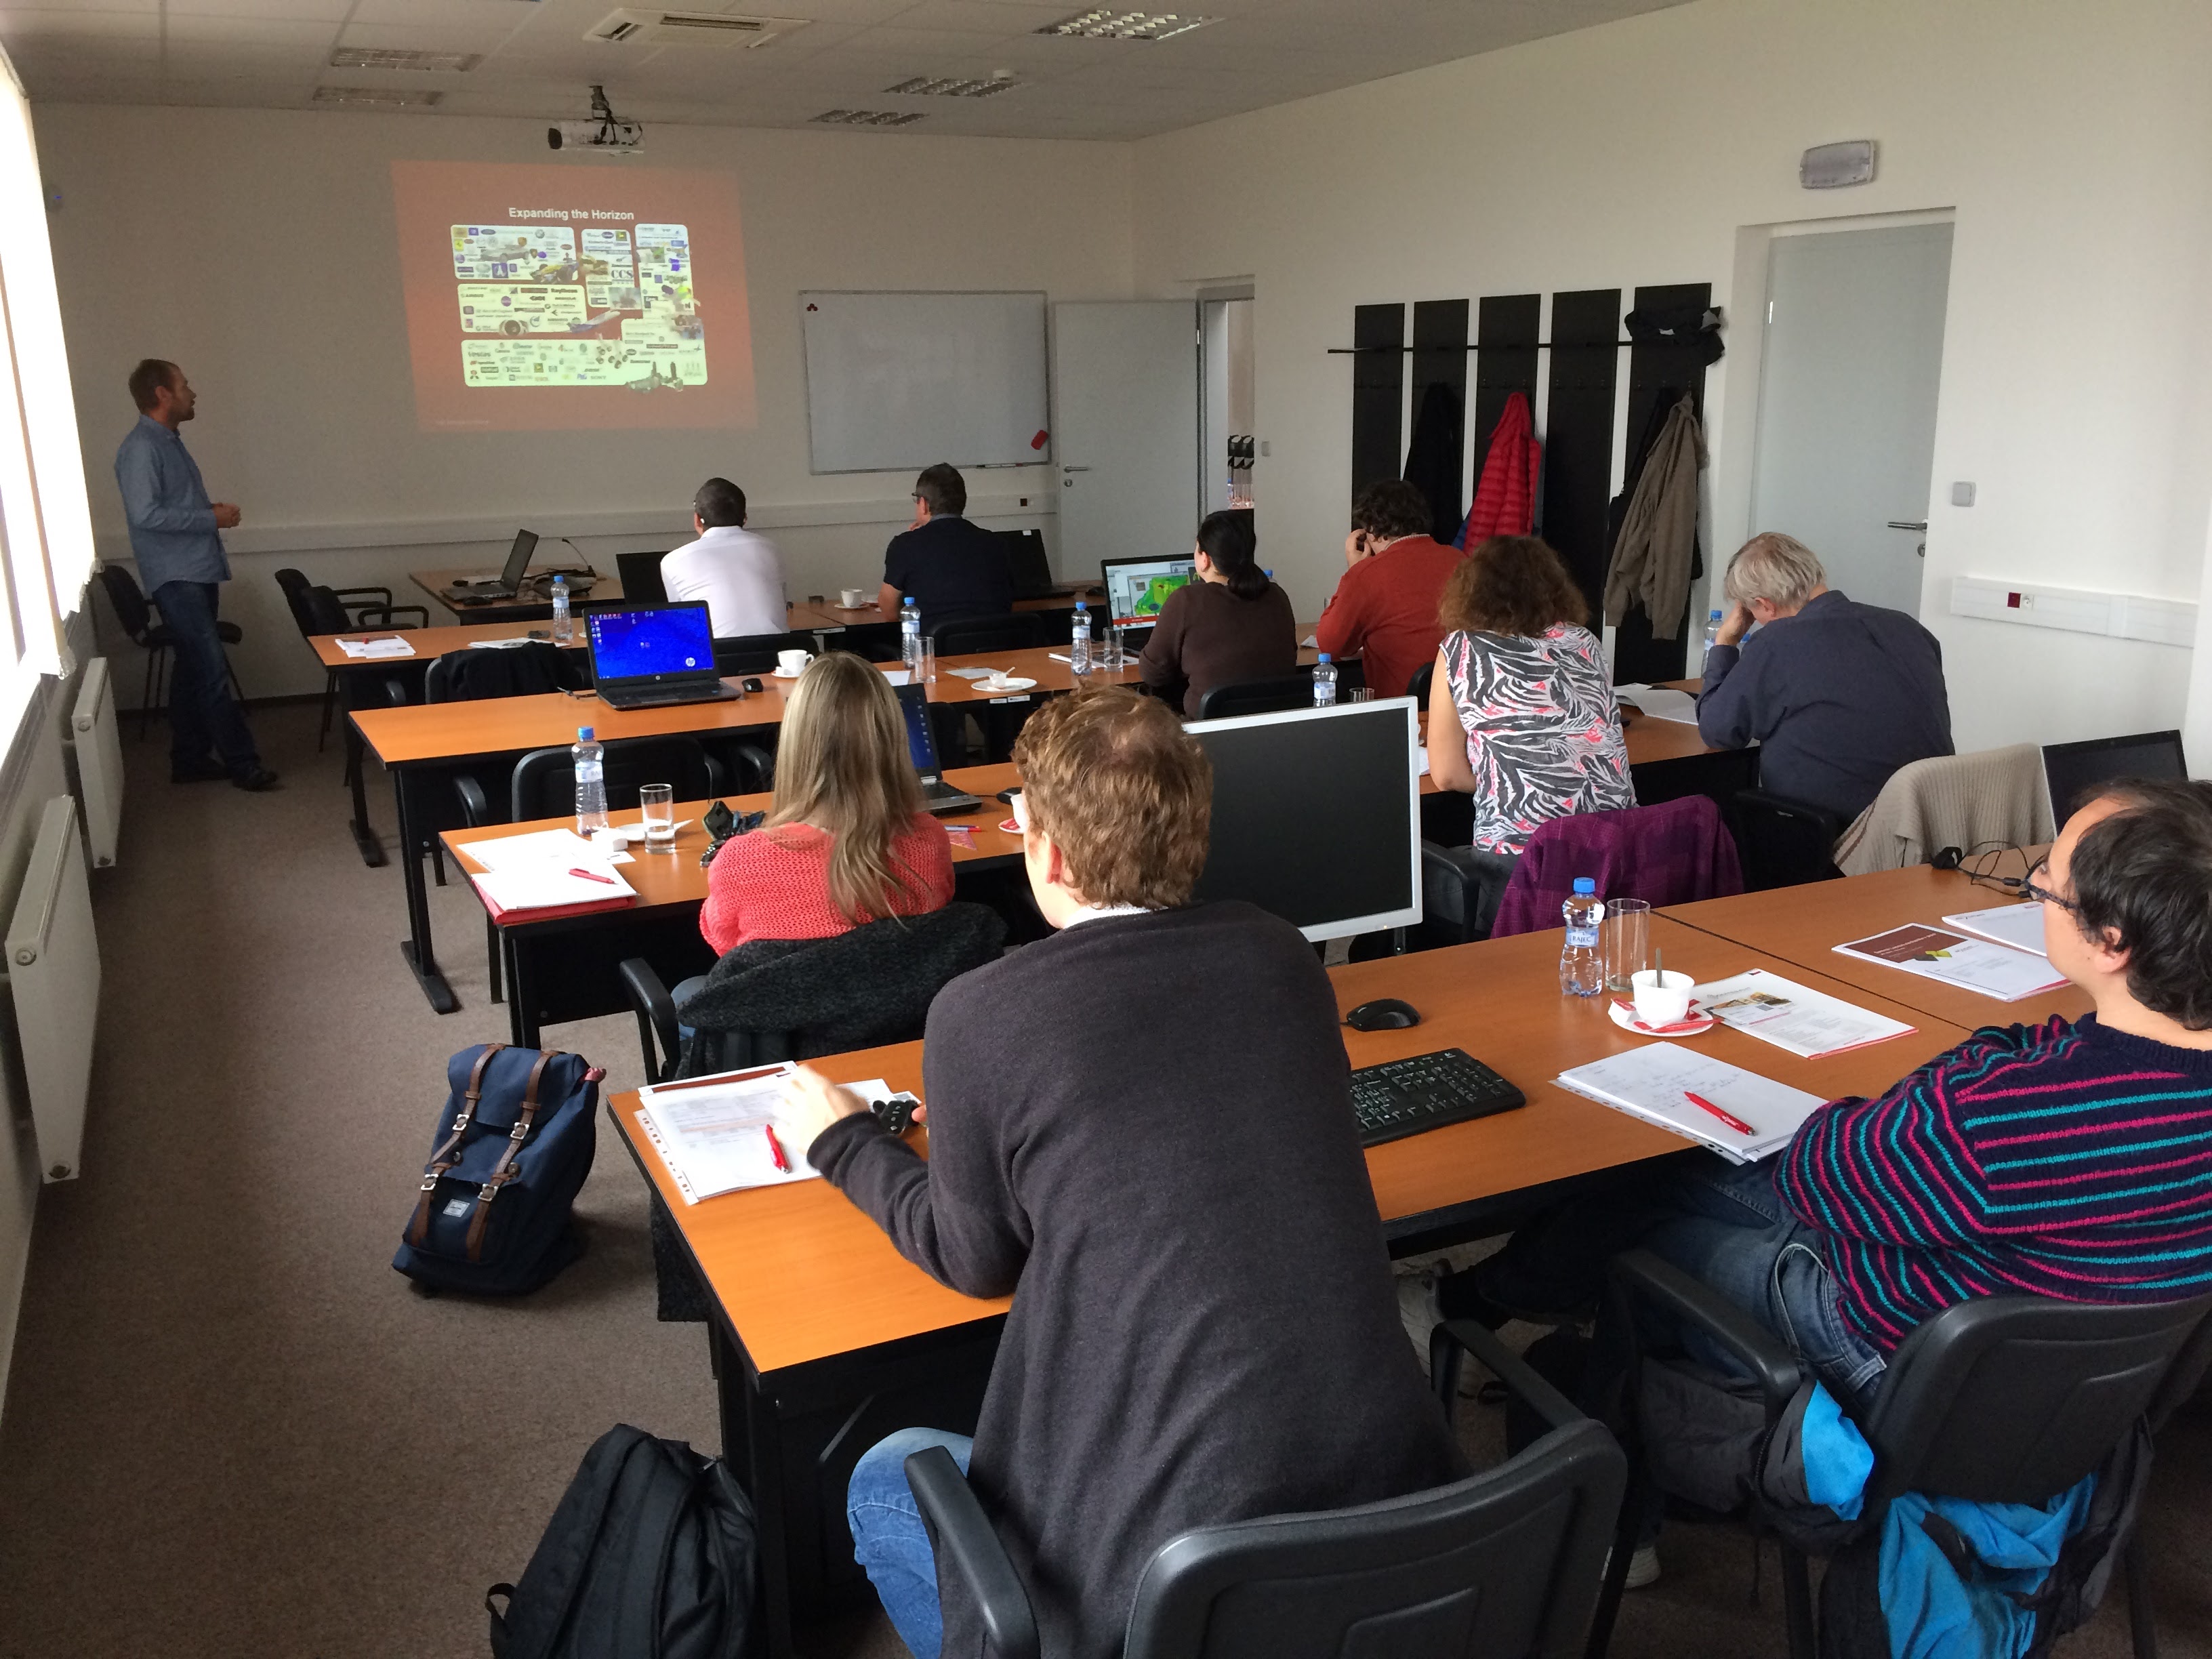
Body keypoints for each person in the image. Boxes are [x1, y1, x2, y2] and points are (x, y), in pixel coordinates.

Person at [775, 687, 1465, 1659]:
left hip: (1163, 1595)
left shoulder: (982, 1013)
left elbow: (975, 1260)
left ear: (1050, 855)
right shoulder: (1282, 957)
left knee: (889, 1472)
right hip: (1398, 1541)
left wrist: (844, 1141)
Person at [1475, 780, 2212, 1411]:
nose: (2037, 889)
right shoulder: (2123, 1077)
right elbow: (2030, 1042)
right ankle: (1509, 1295)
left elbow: (1821, 1174)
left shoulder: (2016, 1117)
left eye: (2046, 883)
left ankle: (1594, 1418)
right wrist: (1960, 1085)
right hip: (2067, 1359)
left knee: (1650, 1226)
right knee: (1687, 1175)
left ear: (2111, 940)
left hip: (1892, 1345)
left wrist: (1943, 1089)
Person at [695, 651, 954, 954]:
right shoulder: (929, 838)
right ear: (894, 740)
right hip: (907, 985)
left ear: (795, 742)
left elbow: (725, 947)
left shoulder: (740, 861)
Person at [1696, 532, 1952, 824]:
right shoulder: (1908, 628)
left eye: (1752, 611)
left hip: (1836, 831)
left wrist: (1725, 643)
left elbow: (1718, 731)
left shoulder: (1779, 641)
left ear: (1765, 605)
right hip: (1932, 821)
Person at [113, 360, 275, 791]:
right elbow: (145, 515)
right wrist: (209, 518)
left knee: (191, 671)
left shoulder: (168, 442)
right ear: (162, 394)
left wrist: (208, 513)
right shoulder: (142, 448)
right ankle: (244, 764)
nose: (193, 392)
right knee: (211, 670)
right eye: (184, 385)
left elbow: (168, 509)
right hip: (177, 578)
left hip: (193, 572)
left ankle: (189, 759)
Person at [1425, 534, 1634, 863]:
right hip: (1614, 851)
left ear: (1470, 592)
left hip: (1523, 860)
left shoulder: (1462, 647)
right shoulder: (1585, 641)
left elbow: (1447, 774)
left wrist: (1515, 782)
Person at [1313, 478, 1465, 698]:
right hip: (1462, 705)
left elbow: (1331, 645)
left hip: (1401, 708)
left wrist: (1354, 571)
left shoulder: (1367, 574)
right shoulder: (1461, 561)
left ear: (1371, 530)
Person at [1136, 510, 1296, 716]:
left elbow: (1152, 674)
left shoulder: (1186, 600)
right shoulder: (1277, 595)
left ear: (1205, 559)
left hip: (1208, 731)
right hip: (1275, 727)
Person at [876, 463, 1013, 628]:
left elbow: (890, 612)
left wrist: (914, 539)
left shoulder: (905, 545)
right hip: (995, 641)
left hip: (933, 643)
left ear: (923, 504)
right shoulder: (996, 543)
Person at [657, 476, 786, 638]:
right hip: (779, 650)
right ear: (745, 518)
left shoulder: (672, 561)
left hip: (718, 653)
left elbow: (682, 623)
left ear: (697, 520)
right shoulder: (772, 549)